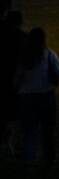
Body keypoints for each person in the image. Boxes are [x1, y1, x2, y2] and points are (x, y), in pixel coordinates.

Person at [16, 28, 59, 165]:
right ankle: (49, 158)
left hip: (26, 97)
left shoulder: (23, 57)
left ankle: (29, 158)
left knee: (29, 131)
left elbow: (17, 78)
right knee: (48, 130)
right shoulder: (49, 54)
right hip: (46, 95)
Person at [0, 9, 24, 154]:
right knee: (15, 114)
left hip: (3, 78)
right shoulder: (22, 37)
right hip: (16, 80)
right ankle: (10, 143)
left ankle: (6, 142)